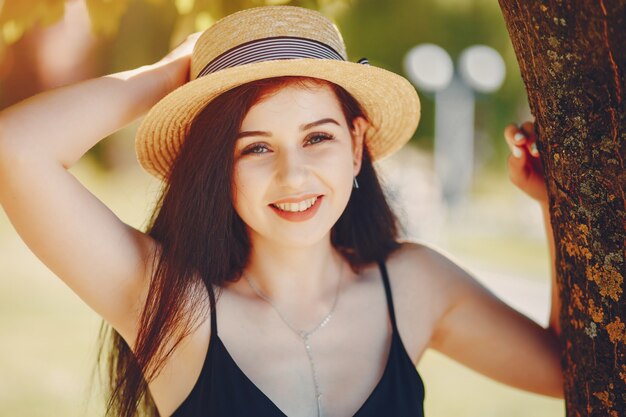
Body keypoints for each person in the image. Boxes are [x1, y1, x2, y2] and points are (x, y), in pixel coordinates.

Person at [0, 5, 563, 417]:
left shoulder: (416, 287)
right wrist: (168, 78)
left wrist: (551, 209)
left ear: (357, 142)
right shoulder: (170, 303)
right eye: (255, 147)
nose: (292, 176)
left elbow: (566, 370)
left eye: (317, 138)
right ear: (217, 167)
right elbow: (16, 149)